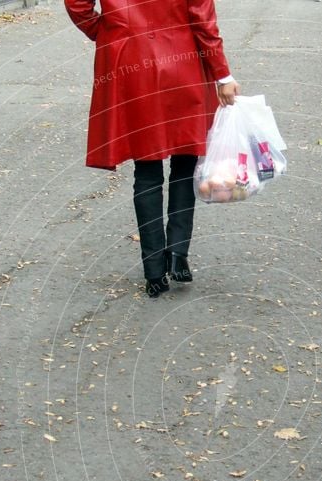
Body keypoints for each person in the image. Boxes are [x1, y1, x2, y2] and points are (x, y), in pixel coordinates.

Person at [64, 0, 241, 298]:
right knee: (184, 163)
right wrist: (223, 74)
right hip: (183, 59)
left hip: (130, 60)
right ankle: (178, 252)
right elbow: (202, 18)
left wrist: (110, 29)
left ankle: (154, 271)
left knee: (146, 168)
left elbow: (77, 4)